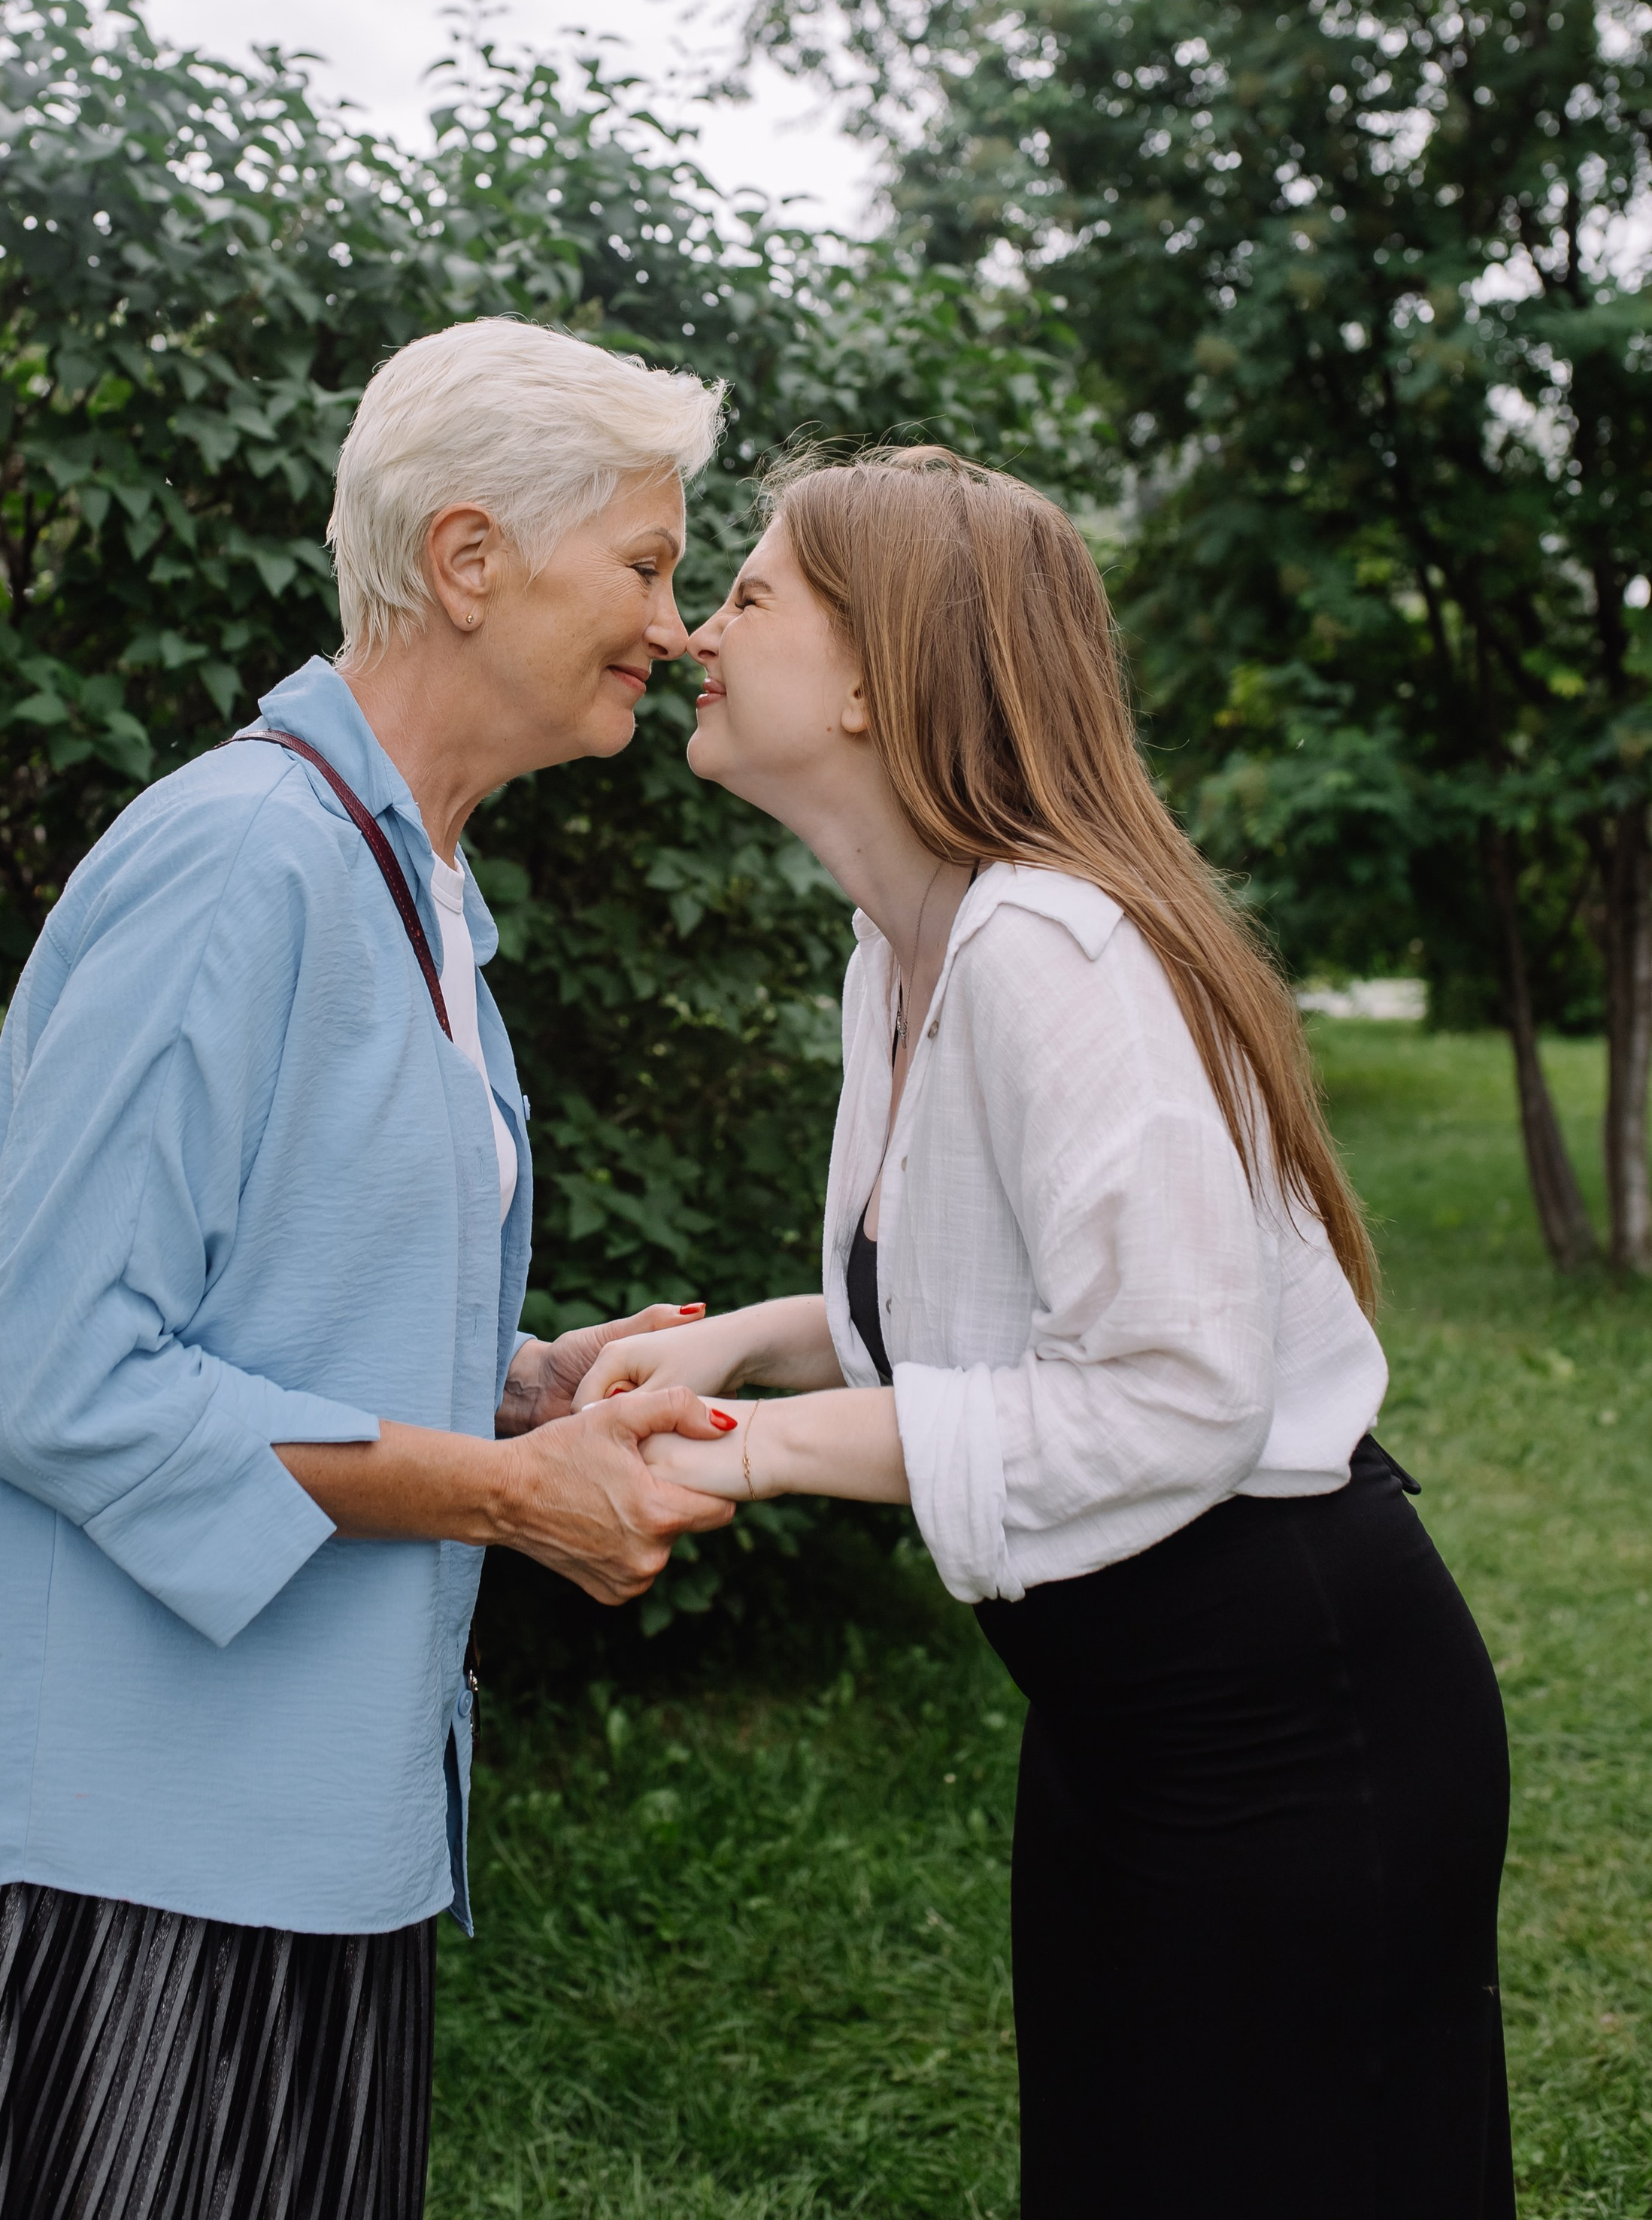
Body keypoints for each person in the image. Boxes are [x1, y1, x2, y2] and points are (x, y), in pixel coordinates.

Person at [0, 317, 742, 2220]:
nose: (674, 623)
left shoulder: (418, 884)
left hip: (266, 1824)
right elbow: (63, 1376)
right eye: (646, 563)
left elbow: (261, 1294)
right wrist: (509, 1495)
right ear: (466, 560)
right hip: (56, 1853)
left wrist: (514, 1383)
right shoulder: (242, 860)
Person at [581, 446, 1515, 2220]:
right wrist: (737, 1349)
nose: (701, 627)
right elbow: (972, 1315)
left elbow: (1166, 1392)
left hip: (1288, 1723)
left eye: (752, 591)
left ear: (874, 674)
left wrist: (752, 1454)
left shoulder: (1044, 952)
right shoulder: (899, 951)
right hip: (1116, 1718)